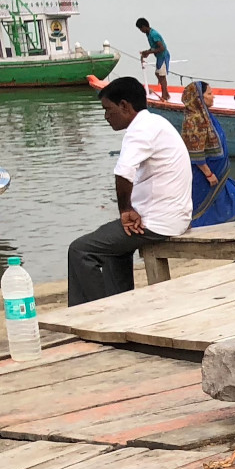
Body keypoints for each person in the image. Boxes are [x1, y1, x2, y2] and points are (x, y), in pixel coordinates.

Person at [67, 77, 190, 305]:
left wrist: (125, 210)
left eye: (108, 109)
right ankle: (120, 307)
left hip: (157, 221)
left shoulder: (139, 130)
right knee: (112, 247)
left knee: (80, 250)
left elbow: (123, 172)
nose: (106, 117)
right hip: (172, 216)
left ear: (124, 105)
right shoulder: (156, 123)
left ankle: (93, 314)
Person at [178, 81, 235, 227]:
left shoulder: (206, 115)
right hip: (205, 174)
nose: (213, 97)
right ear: (199, 97)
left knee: (229, 200)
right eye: (209, 94)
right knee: (205, 206)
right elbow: (194, 150)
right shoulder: (194, 119)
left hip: (218, 172)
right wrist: (208, 173)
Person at [135, 18, 172, 101]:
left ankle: (164, 96)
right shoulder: (148, 34)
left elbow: (162, 48)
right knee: (158, 74)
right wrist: (148, 51)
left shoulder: (153, 34)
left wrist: (149, 52)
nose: (141, 31)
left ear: (144, 26)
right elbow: (154, 47)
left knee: (162, 76)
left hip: (163, 56)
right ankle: (166, 93)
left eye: (141, 28)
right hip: (159, 56)